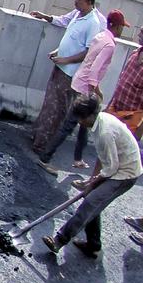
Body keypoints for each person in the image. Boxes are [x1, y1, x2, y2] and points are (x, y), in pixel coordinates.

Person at [43, 94, 142, 258]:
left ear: (89, 116)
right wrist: (91, 181)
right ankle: (93, 245)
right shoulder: (99, 122)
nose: (80, 122)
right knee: (94, 201)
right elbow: (104, 159)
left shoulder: (105, 132)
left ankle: (59, 240)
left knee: (90, 202)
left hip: (125, 174)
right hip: (117, 167)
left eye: (81, 118)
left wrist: (92, 183)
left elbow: (111, 167)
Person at [38, 10, 127, 173]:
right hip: (85, 89)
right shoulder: (110, 45)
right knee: (70, 125)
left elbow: (89, 62)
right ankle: (45, 157)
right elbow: (94, 71)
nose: (123, 30)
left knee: (84, 124)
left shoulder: (100, 37)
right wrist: (95, 93)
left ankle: (78, 159)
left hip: (79, 81)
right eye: (122, 26)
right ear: (117, 26)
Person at [28, 0, 106, 153]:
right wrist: (58, 52)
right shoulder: (78, 14)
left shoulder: (93, 23)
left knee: (57, 110)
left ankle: (43, 145)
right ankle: (37, 135)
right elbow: (64, 25)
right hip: (60, 66)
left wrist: (66, 59)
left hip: (69, 73)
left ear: (89, 2)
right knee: (49, 103)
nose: (75, 1)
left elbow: (87, 51)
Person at [106, 26, 143, 138]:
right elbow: (121, 82)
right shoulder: (135, 54)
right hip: (114, 112)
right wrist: (109, 107)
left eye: (142, 32)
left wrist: (137, 134)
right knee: (105, 150)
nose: (139, 34)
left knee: (120, 154)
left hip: (131, 121)